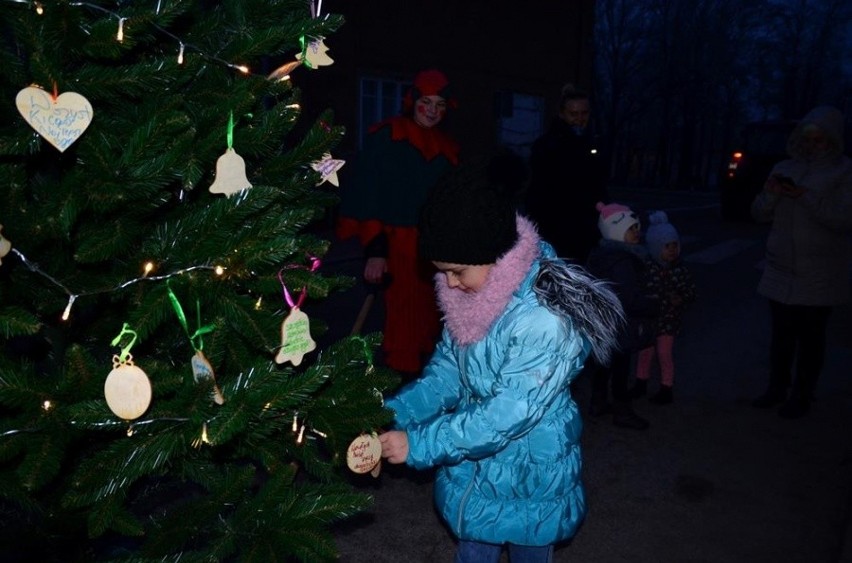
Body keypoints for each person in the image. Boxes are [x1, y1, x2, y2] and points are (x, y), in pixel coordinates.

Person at [378, 162, 624, 563]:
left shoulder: (546, 317)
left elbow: (508, 413)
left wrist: (420, 443)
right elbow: (446, 375)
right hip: (474, 462)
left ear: (490, 251)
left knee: (528, 547)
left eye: (457, 272)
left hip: (531, 474)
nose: (450, 284)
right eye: (442, 273)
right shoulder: (467, 295)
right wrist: (393, 414)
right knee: (474, 545)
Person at [336, 69, 459, 375]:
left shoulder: (448, 149)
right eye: (426, 102)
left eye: (440, 105)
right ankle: (392, 396)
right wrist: (376, 249)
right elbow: (369, 192)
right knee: (397, 322)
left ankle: (419, 395)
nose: (433, 111)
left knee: (428, 321)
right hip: (395, 247)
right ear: (413, 101)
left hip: (432, 251)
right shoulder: (387, 136)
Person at [750, 105, 852, 419]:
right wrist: (771, 195)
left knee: (811, 338)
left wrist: (804, 196)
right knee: (781, 335)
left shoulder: (843, 172)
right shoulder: (785, 167)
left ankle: (803, 393)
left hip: (819, 270)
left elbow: (843, 219)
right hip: (781, 267)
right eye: (807, 139)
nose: (811, 145)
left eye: (819, 140)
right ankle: (777, 387)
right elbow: (758, 214)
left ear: (832, 140)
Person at [585, 202, 659, 430]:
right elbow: (630, 298)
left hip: (603, 323)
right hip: (620, 325)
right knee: (620, 369)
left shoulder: (602, 254)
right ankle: (622, 410)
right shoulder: (623, 261)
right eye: (631, 229)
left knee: (603, 365)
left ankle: (598, 402)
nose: (637, 232)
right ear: (616, 231)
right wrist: (653, 304)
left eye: (637, 227)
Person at [526, 84, 609, 265]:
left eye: (584, 113)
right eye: (574, 114)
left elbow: (598, 186)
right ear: (562, 113)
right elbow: (537, 195)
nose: (579, 119)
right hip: (557, 234)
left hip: (586, 233)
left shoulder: (591, 143)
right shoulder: (547, 146)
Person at [629, 211, 696, 405]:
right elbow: (639, 288)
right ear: (656, 247)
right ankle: (641, 382)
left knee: (664, 353)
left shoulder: (680, 269)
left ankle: (667, 387)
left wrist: (681, 298)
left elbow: (691, 292)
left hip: (668, 320)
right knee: (645, 352)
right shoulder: (647, 268)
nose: (672, 250)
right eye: (667, 246)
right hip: (650, 318)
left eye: (675, 245)